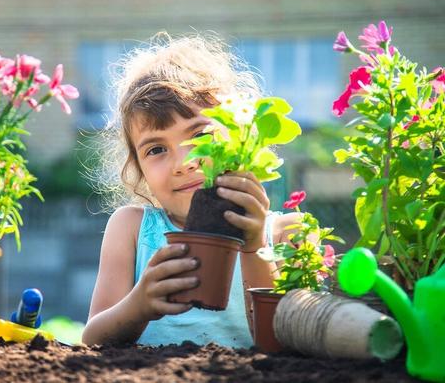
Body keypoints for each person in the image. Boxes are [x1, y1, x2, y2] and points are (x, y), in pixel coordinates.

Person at [82, 32, 300, 348]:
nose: (183, 164)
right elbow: (91, 339)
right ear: (138, 167)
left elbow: (283, 347)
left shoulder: (281, 235)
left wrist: (253, 247)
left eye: (199, 137)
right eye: (156, 149)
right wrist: (138, 305)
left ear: (239, 137)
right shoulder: (130, 228)